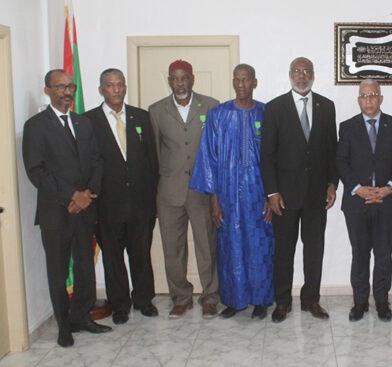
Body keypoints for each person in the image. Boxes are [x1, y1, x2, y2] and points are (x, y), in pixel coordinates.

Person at [22, 69, 110, 347]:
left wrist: (87, 195)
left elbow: (96, 161)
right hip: (56, 213)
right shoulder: (36, 126)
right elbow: (36, 171)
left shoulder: (84, 123)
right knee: (58, 271)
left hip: (85, 211)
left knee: (85, 267)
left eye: (70, 86)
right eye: (60, 87)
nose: (67, 92)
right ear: (47, 90)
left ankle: (82, 317)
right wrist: (71, 195)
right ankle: (64, 326)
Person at [189, 64, 274, 320]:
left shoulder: (266, 114)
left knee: (260, 247)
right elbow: (209, 158)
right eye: (237, 80)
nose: (241, 85)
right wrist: (214, 201)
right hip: (227, 196)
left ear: (255, 82)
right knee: (231, 247)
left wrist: (271, 196)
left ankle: (260, 300)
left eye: (246, 80)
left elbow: (276, 158)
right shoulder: (218, 115)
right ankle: (235, 301)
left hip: (259, 195)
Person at [261, 57, 338, 323]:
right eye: (297, 71)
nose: (302, 75)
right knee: (284, 250)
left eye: (306, 71)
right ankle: (282, 302)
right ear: (290, 74)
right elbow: (267, 155)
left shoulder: (326, 106)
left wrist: (332, 183)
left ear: (313, 75)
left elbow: (331, 149)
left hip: (316, 194)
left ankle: (311, 300)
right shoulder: (274, 108)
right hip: (284, 196)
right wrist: (272, 192)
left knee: (314, 250)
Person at [84, 68, 160, 324]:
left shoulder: (141, 117)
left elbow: (152, 160)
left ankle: (144, 300)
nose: (116, 89)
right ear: (101, 90)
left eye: (119, 84)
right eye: (110, 85)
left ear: (125, 87)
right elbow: (87, 164)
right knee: (113, 258)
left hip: (141, 203)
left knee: (141, 254)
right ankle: (119, 305)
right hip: (107, 204)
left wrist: (153, 200)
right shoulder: (88, 121)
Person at [148, 60, 220, 319]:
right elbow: (154, 154)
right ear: (170, 81)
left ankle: (210, 296)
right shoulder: (156, 111)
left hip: (202, 191)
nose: (179, 83)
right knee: (173, 248)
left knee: (207, 246)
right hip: (169, 192)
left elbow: (216, 150)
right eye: (174, 78)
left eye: (184, 78)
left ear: (192, 79)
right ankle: (181, 297)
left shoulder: (211, 106)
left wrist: (216, 192)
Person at [336, 79, 392, 322]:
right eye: (364, 96)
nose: (368, 100)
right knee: (360, 254)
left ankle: (382, 301)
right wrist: (358, 189)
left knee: (383, 254)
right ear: (359, 100)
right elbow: (341, 162)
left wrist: (389, 188)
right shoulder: (347, 127)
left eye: (373, 95)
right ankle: (359, 303)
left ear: (381, 98)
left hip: (387, 202)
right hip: (357, 203)